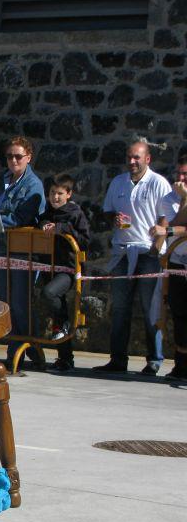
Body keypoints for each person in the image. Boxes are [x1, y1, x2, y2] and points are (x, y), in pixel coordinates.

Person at [94, 139, 173, 375]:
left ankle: (154, 360)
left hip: (148, 253)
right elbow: (107, 211)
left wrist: (155, 249)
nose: (132, 161)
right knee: (120, 308)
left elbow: (165, 218)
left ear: (147, 159)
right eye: (129, 157)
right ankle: (118, 360)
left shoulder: (158, 183)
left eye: (136, 157)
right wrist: (114, 219)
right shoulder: (118, 182)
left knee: (150, 308)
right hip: (123, 252)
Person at [0, 136, 45, 368]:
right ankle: (26, 348)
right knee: (7, 303)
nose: (13, 160)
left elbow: (20, 217)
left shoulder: (33, 185)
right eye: (9, 156)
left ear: (28, 157)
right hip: (0, 250)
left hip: (21, 252)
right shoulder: (3, 180)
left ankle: (21, 350)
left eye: (18, 156)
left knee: (20, 304)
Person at [37, 174, 91, 372]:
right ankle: (65, 358)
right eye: (52, 193)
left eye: (60, 193)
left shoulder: (76, 214)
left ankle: (64, 325)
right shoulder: (47, 212)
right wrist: (42, 224)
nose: (55, 197)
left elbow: (85, 240)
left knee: (49, 293)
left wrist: (61, 228)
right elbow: (40, 222)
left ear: (69, 194)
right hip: (49, 266)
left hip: (68, 269)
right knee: (57, 309)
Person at [151, 153, 187, 381]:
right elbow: (175, 226)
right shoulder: (169, 198)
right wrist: (184, 200)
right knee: (179, 313)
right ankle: (181, 365)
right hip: (176, 261)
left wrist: (168, 230)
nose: (180, 179)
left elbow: (171, 230)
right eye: (179, 174)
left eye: (185, 174)